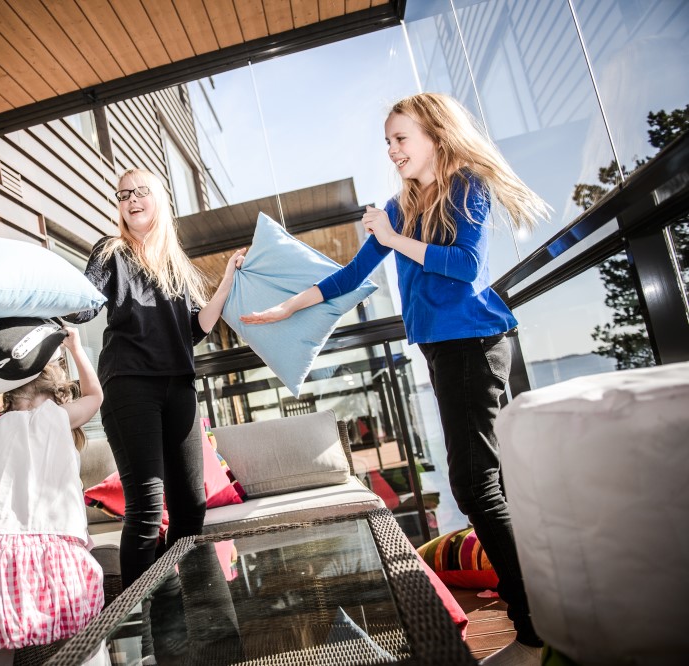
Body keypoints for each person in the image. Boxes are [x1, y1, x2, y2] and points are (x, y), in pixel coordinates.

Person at [240, 92, 549, 666]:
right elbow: (352, 275)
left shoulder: (466, 186)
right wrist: (288, 309)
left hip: (477, 344)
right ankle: (535, 604)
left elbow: (467, 267)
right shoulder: (398, 205)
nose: (392, 150)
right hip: (443, 349)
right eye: (388, 141)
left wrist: (393, 237)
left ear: (434, 133)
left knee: (475, 485)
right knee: (481, 481)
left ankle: (533, 624)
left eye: (400, 138)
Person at [66, 167, 245, 589]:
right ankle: (140, 624)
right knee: (147, 510)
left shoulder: (175, 263)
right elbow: (86, 304)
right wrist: (61, 303)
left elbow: (196, 328)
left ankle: (169, 601)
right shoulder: (111, 251)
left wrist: (226, 284)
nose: (131, 199)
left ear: (159, 199)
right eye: (123, 194)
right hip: (129, 384)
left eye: (140, 191)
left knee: (191, 508)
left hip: (179, 385)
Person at [0, 327, 104, 666]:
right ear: (58, 393)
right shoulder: (59, 418)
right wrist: (77, 348)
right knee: (87, 646)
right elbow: (95, 396)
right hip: (54, 553)